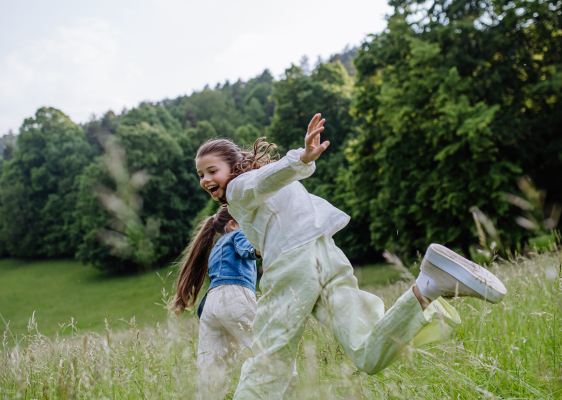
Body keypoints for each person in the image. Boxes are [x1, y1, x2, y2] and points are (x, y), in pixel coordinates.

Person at [194, 113, 507, 400]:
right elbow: (276, 193)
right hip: (326, 256)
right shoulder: (267, 194)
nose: (206, 180)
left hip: (292, 267)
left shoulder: (239, 188)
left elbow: (265, 179)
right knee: (366, 350)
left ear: (234, 167)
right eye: (200, 175)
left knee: (268, 358)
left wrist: (300, 159)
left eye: (212, 171)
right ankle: (428, 286)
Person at [172, 205, 260, 400]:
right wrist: (268, 247)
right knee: (267, 348)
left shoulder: (216, 248)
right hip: (234, 298)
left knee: (210, 373)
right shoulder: (238, 234)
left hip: (211, 307)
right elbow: (250, 249)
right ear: (233, 224)